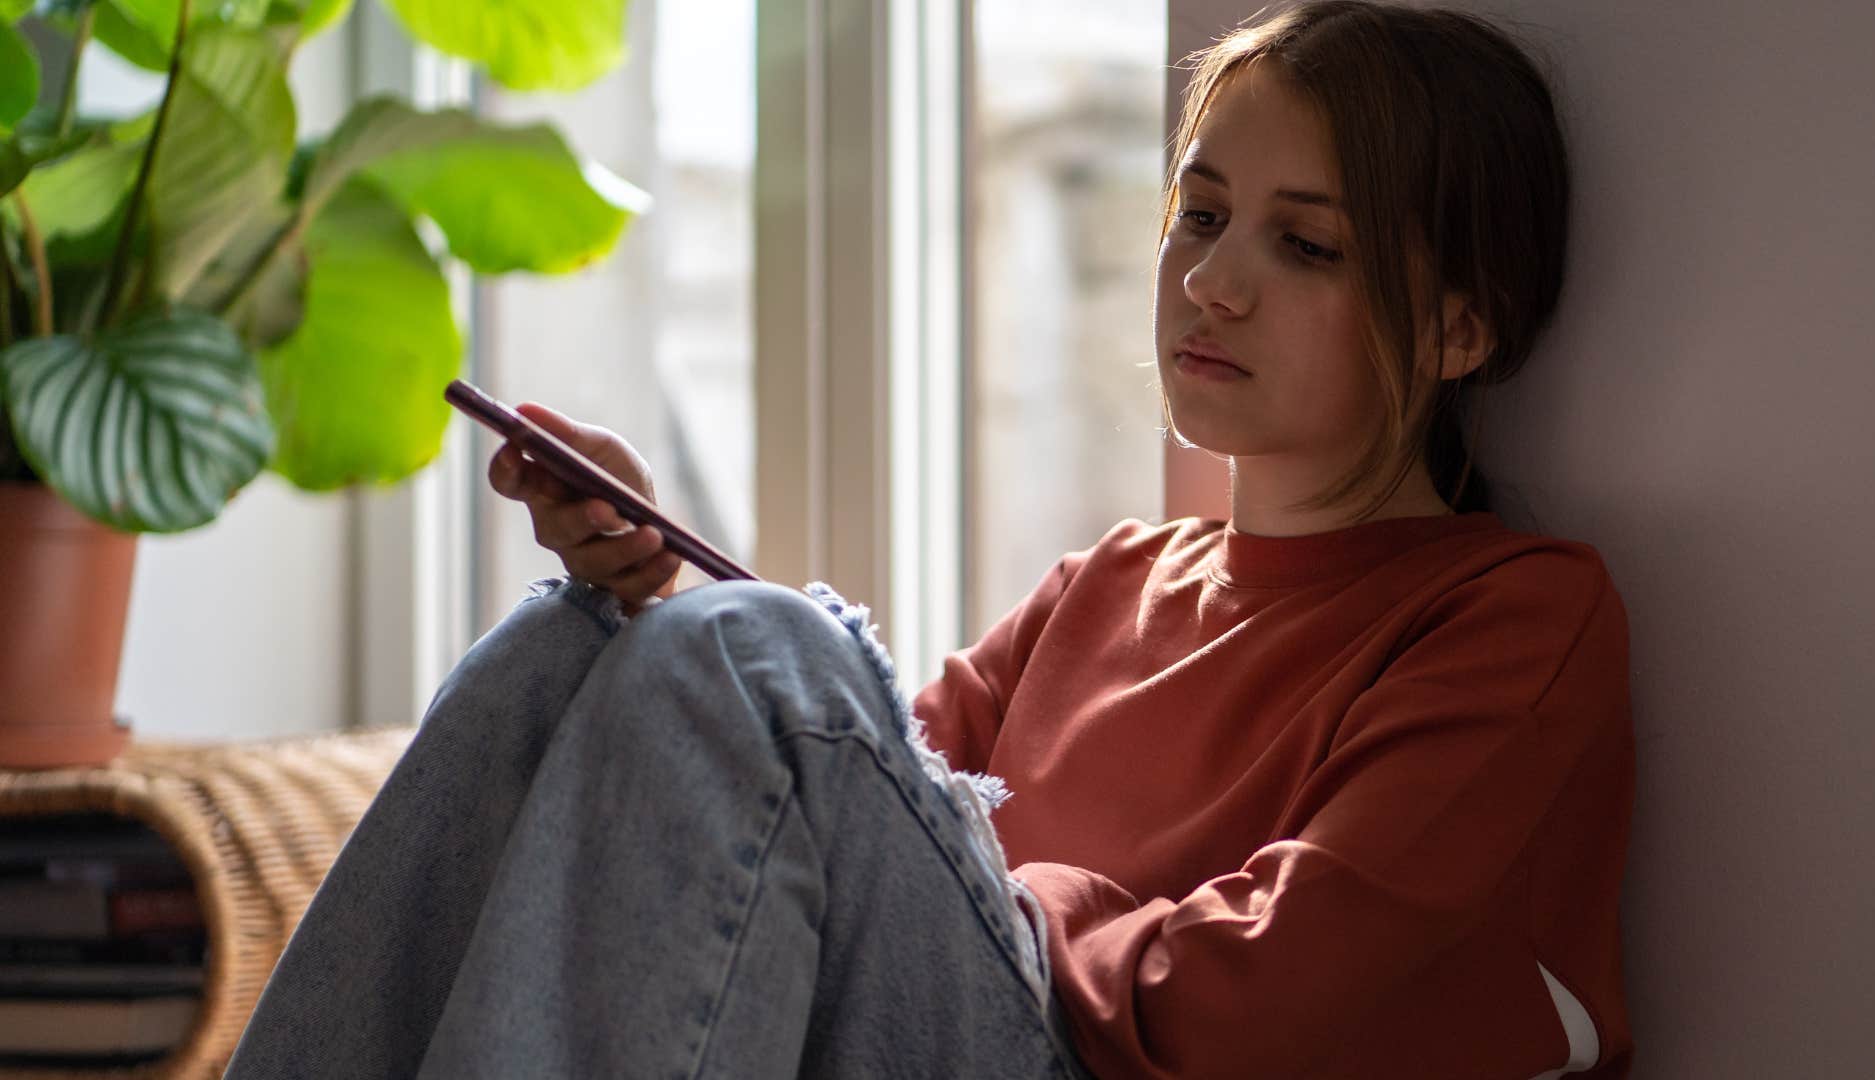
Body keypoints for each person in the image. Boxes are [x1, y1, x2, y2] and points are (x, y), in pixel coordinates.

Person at [227, 2, 1632, 1077]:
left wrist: (1013, 900)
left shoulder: (1512, 612)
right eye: (1200, 216)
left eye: (1304, 246)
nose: (1209, 280)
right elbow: (842, 808)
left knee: (765, 656)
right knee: (561, 645)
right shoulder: (1112, 584)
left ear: (1462, 323)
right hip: (948, 1013)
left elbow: (1285, 990)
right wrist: (648, 588)